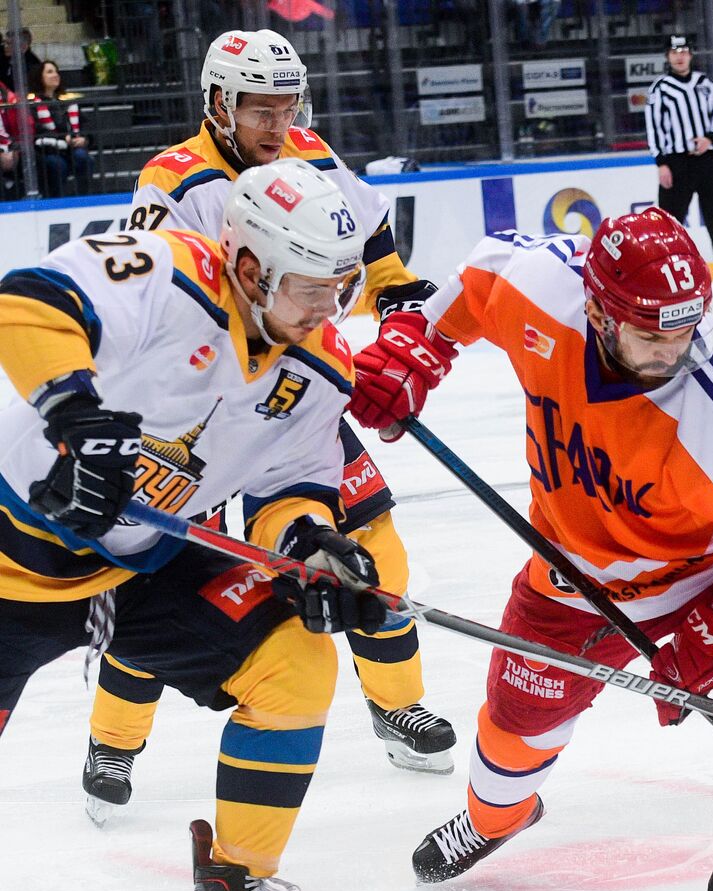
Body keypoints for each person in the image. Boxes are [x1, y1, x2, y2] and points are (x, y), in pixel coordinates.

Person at [344, 207, 713, 891]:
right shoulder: (542, 290)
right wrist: (418, 347)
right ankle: (496, 818)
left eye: (685, 330)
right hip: (575, 576)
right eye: (650, 336)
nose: (673, 352)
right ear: (596, 310)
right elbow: (479, 276)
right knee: (507, 745)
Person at [0, 159, 383, 891]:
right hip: (11, 561)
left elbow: (290, 488)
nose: (331, 311)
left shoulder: (317, 370)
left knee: (293, 664)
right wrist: (75, 419)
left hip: (141, 568)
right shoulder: (169, 271)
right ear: (250, 266)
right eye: (312, 288)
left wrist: (310, 544)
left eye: (342, 288)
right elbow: (24, 300)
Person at [79, 28, 457, 826]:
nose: (276, 123)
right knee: (163, 572)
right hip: (197, 412)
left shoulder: (310, 154)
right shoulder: (175, 181)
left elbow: (373, 246)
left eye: (287, 105)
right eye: (258, 108)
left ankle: (398, 707)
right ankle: (115, 739)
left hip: (293, 398)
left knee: (370, 549)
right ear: (218, 104)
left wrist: (396, 305)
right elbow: (147, 310)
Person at [646, 35, 713, 290]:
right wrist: (661, 162)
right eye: (674, 51)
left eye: (684, 50)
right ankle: (666, 276)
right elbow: (654, 127)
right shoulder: (660, 88)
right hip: (676, 162)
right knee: (670, 223)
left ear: (691, 54)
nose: (679, 55)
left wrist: (710, 137)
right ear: (668, 56)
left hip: (707, 160)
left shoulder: (704, 83)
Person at [31, 61, 92, 197]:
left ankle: (85, 199)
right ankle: (57, 202)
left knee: (84, 158)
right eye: (50, 72)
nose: (55, 75)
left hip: (70, 148)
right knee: (57, 164)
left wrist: (84, 138)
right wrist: (63, 138)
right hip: (47, 150)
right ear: (40, 77)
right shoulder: (34, 103)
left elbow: (84, 124)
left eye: (56, 71)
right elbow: (37, 129)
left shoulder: (66, 101)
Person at [0, 27, 42, 94]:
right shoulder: (3, 56)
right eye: (4, 43)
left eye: (9, 44)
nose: (5, 46)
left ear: (23, 46)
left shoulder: (33, 66)